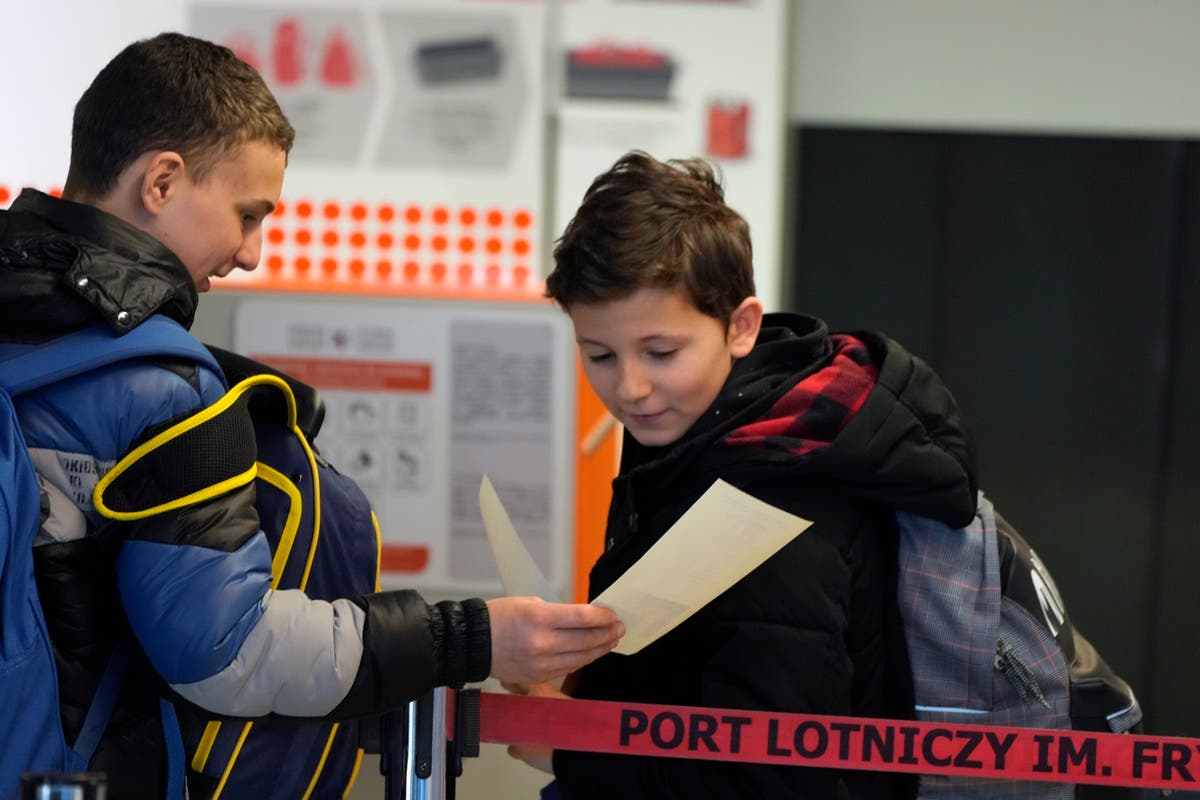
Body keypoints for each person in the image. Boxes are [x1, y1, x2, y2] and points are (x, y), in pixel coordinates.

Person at [0, 32, 622, 798]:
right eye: (247, 213)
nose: (252, 253)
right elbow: (230, 652)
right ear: (161, 181)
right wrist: (470, 638)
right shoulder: (163, 388)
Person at [507, 150, 978, 798]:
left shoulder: (775, 507)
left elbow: (771, 780)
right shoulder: (702, 441)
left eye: (661, 352)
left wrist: (569, 747)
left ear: (741, 327)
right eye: (600, 355)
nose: (631, 388)